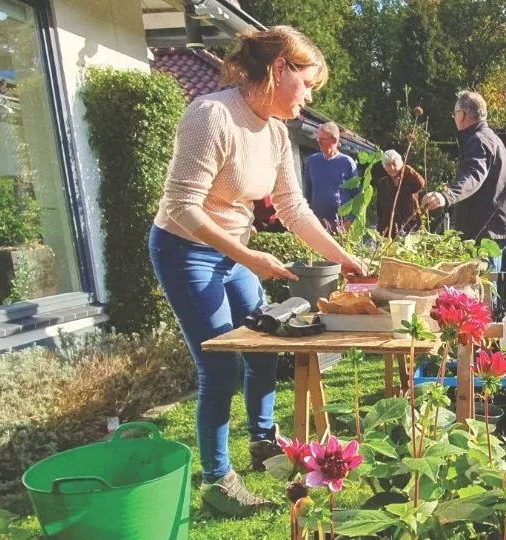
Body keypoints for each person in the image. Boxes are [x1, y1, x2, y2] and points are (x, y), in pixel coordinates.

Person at [148, 26, 363, 517]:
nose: (309, 98)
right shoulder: (212, 115)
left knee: (264, 348)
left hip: (234, 254)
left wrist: (346, 260)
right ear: (280, 69)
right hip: (185, 250)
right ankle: (218, 479)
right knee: (219, 366)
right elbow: (182, 207)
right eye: (306, 84)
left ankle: (263, 444)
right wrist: (251, 259)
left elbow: (293, 208)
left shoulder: (274, 131)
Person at [421, 91, 506, 272]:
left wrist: (446, 196)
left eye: (454, 113)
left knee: (484, 288)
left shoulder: (479, 140)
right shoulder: (489, 137)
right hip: (491, 227)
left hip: (486, 230)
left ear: (462, 115)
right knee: (485, 288)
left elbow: (473, 176)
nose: (454, 117)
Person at [305, 122, 358, 229]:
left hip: (341, 223)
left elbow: (357, 196)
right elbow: (308, 192)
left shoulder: (347, 162)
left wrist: (350, 220)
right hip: (317, 222)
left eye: (323, 139)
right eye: (318, 139)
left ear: (334, 140)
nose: (319, 142)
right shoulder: (312, 161)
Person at [376, 149, 426, 237]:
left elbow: (420, 184)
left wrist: (406, 168)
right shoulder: (382, 183)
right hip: (388, 228)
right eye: (388, 165)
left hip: (409, 225)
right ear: (384, 167)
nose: (392, 168)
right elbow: (380, 207)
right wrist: (380, 229)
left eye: (394, 164)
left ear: (400, 164)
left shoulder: (409, 179)